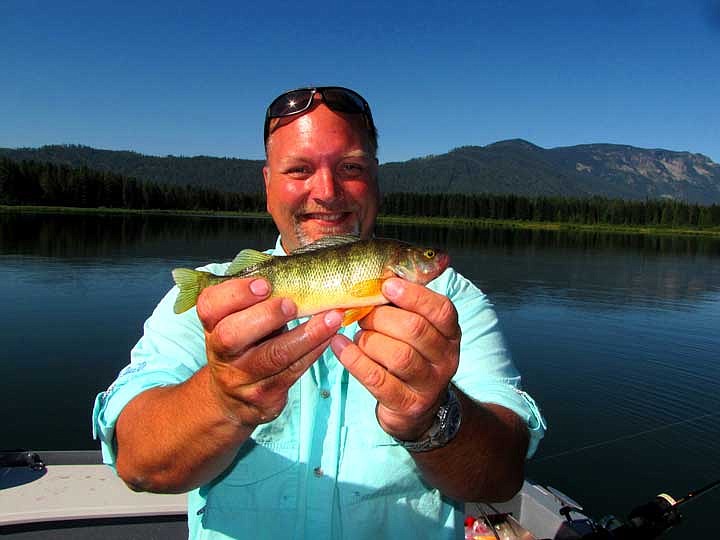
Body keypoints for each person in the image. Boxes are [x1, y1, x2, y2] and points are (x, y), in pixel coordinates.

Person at [92, 86, 545, 539]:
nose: (326, 192)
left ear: (376, 180)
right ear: (267, 185)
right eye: (299, 169)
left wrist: (431, 414)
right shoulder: (217, 302)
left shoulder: (453, 304)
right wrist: (222, 399)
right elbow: (138, 465)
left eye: (350, 167)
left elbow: (502, 478)